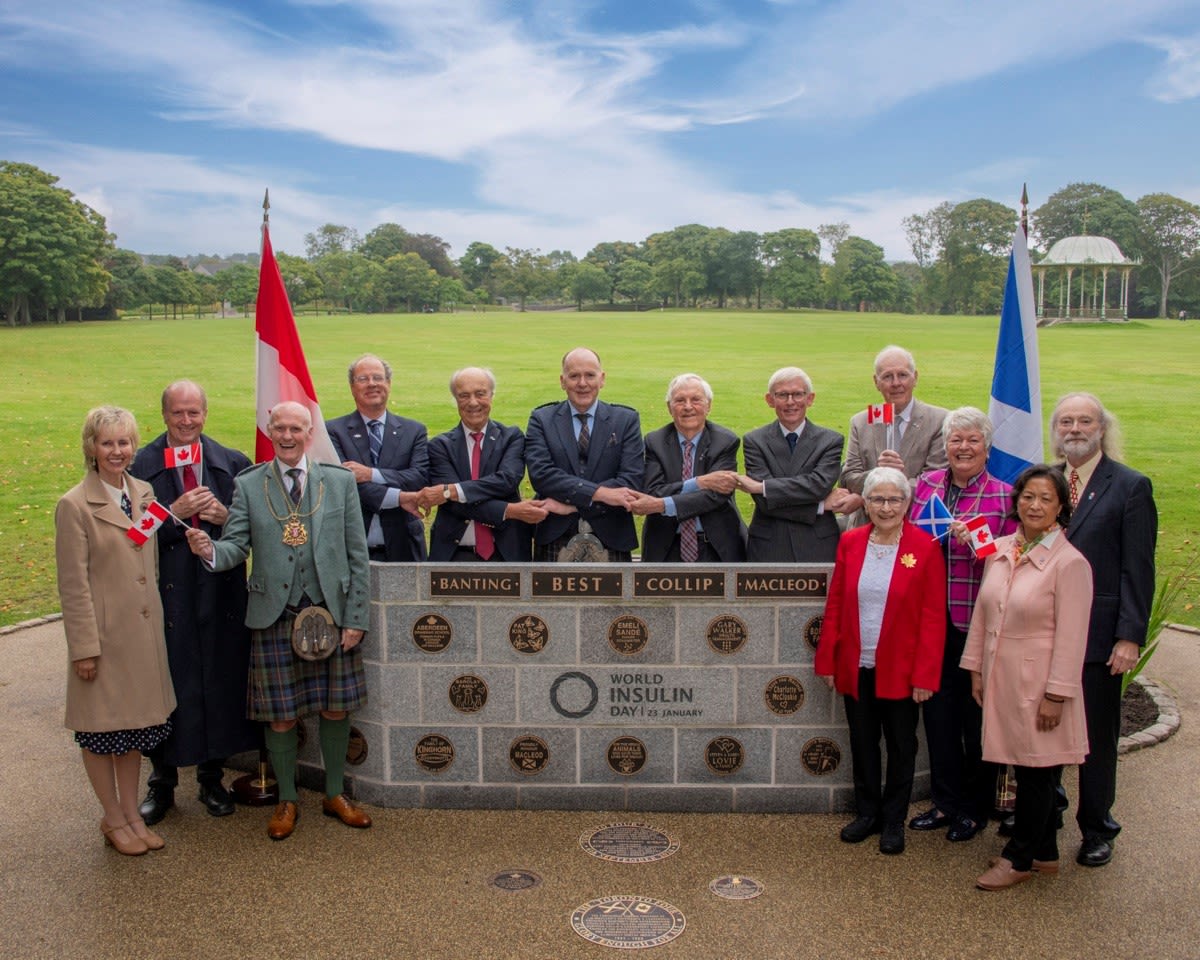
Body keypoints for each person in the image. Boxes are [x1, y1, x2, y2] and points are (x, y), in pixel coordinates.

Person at [185, 401, 373, 841]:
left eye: (296, 428)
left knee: (336, 706)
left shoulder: (339, 482)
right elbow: (235, 547)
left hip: (331, 611)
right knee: (281, 717)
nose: (287, 436)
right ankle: (287, 798)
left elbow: (357, 556)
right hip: (275, 615)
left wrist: (356, 618)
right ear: (269, 430)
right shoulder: (249, 485)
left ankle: (332, 794)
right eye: (280, 428)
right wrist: (210, 551)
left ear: (309, 432)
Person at [130, 380, 257, 825]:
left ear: (206, 413)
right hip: (166, 590)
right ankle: (162, 780)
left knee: (218, 679)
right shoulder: (141, 466)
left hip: (218, 589)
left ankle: (210, 776)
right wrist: (173, 512)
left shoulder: (234, 464)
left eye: (194, 413)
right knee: (167, 681)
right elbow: (129, 536)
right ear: (164, 414)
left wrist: (227, 517)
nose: (186, 422)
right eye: (178, 413)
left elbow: (257, 530)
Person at [963, 465, 1093, 890]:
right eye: (1028, 497)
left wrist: (1057, 695)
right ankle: (1045, 853)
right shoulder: (1001, 549)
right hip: (1003, 678)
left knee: (1038, 772)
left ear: (1060, 508)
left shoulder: (1070, 564)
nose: (1034, 505)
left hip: (1039, 687)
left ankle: (1018, 857)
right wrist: (976, 667)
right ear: (1016, 501)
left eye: (1045, 499)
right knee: (1025, 764)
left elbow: (1073, 637)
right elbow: (984, 615)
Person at [56, 406, 176, 855]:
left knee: (134, 733)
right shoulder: (73, 506)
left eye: (124, 442)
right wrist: (84, 648)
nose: (117, 451)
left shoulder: (144, 493)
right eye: (107, 443)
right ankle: (111, 818)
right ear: (91, 447)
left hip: (142, 642)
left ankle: (131, 815)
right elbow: (73, 585)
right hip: (104, 642)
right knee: (101, 733)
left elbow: (143, 558)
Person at [815, 467, 947, 855]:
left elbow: (933, 617)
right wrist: (827, 660)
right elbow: (837, 601)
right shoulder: (852, 542)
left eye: (894, 500)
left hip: (902, 671)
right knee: (862, 742)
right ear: (865, 503)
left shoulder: (924, 547)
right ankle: (868, 813)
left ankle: (893, 820)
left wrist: (925, 675)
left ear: (907, 503)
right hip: (858, 665)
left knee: (902, 747)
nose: (886, 507)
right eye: (877, 499)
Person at [1052, 392, 1157, 867]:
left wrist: (1129, 636)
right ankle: (1045, 813)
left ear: (1102, 428)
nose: (1075, 428)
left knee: (1095, 738)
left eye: (1084, 421)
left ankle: (1097, 827)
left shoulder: (1130, 487)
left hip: (1098, 638)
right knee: (1043, 730)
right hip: (1045, 635)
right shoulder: (1045, 483)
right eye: (1066, 421)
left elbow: (1138, 568)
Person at [906, 408, 1017, 842]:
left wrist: (977, 543)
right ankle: (945, 802)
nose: (963, 448)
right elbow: (910, 542)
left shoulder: (1004, 496)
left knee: (976, 721)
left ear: (986, 447)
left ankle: (974, 808)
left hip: (978, 622)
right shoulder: (927, 486)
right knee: (938, 718)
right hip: (931, 622)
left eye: (972, 440)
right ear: (945, 445)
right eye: (956, 440)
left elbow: (1009, 563)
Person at [525, 347, 644, 561]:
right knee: (553, 596)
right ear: (562, 381)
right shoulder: (542, 419)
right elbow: (542, 476)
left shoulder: (625, 420)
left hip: (611, 534)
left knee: (611, 596)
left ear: (602, 378)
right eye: (574, 376)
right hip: (556, 535)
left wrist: (570, 506)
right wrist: (602, 494)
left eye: (590, 375)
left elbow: (631, 480)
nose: (582, 383)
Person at [418, 366, 546, 561]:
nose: (473, 402)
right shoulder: (439, 446)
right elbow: (456, 507)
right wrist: (509, 511)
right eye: (464, 396)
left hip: (506, 552)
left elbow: (506, 481)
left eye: (480, 394)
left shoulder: (512, 437)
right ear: (455, 400)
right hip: (454, 554)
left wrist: (452, 490)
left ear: (491, 395)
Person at [629, 373, 746, 562]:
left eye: (696, 400)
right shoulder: (654, 441)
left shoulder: (726, 441)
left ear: (709, 405)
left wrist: (661, 505)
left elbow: (716, 496)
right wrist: (699, 482)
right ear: (669, 407)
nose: (688, 407)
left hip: (717, 545)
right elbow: (653, 491)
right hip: (665, 544)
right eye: (680, 400)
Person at [326, 354, 429, 562]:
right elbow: (343, 485)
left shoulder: (414, 430)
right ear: (352, 387)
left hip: (404, 546)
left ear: (389, 383)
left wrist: (370, 474)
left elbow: (419, 478)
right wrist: (401, 498)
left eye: (378, 378)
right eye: (363, 379)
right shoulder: (332, 431)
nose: (372, 384)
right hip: (348, 549)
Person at [738, 366, 843, 562]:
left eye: (797, 394)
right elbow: (765, 502)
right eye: (782, 395)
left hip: (818, 543)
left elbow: (818, 486)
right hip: (769, 544)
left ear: (810, 398)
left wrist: (764, 487)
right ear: (770, 400)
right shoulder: (754, 441)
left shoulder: (831, 441)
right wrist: (819, 507)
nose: (790, 402)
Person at [834, 345, 949, 524]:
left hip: (914, 526)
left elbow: (933, 483)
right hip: (866, 528)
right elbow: (848, 479)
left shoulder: (939, 420)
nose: (896, 383)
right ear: (876, 382)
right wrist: (879, 473)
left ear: (915, 378)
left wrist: (884, 483)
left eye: (903, 375)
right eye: (887, 376)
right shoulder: (861, 422)